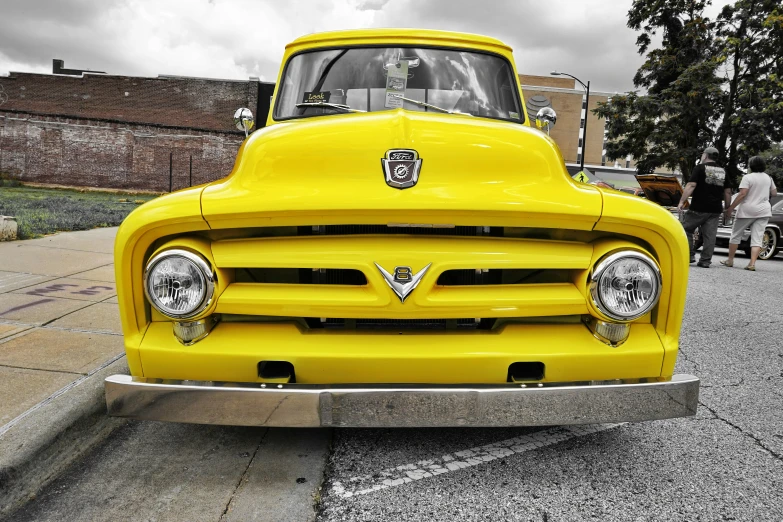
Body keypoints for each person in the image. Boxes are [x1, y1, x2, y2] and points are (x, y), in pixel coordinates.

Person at [677, 147, 733, 267]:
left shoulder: (700, 168)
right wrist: (727, 207)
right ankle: (705, 261)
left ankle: (689, 255)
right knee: (710, 236)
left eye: (702, 154)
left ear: (706, 155)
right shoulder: (723, 171)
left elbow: (691, 185)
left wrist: (682, 201)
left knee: (686, 229)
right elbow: (728, 191)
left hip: (698, 207)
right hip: (715, 209)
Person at [720, 156, 778, 271]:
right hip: (764, 211)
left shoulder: (748, 177)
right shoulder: (768, 178)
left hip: (747, 210)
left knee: (736, 235)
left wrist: (731, 208)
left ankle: (730, 260)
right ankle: (752, 263)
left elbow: (742, 194)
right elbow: (774, 193)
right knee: (757, 237)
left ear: (751, 165)